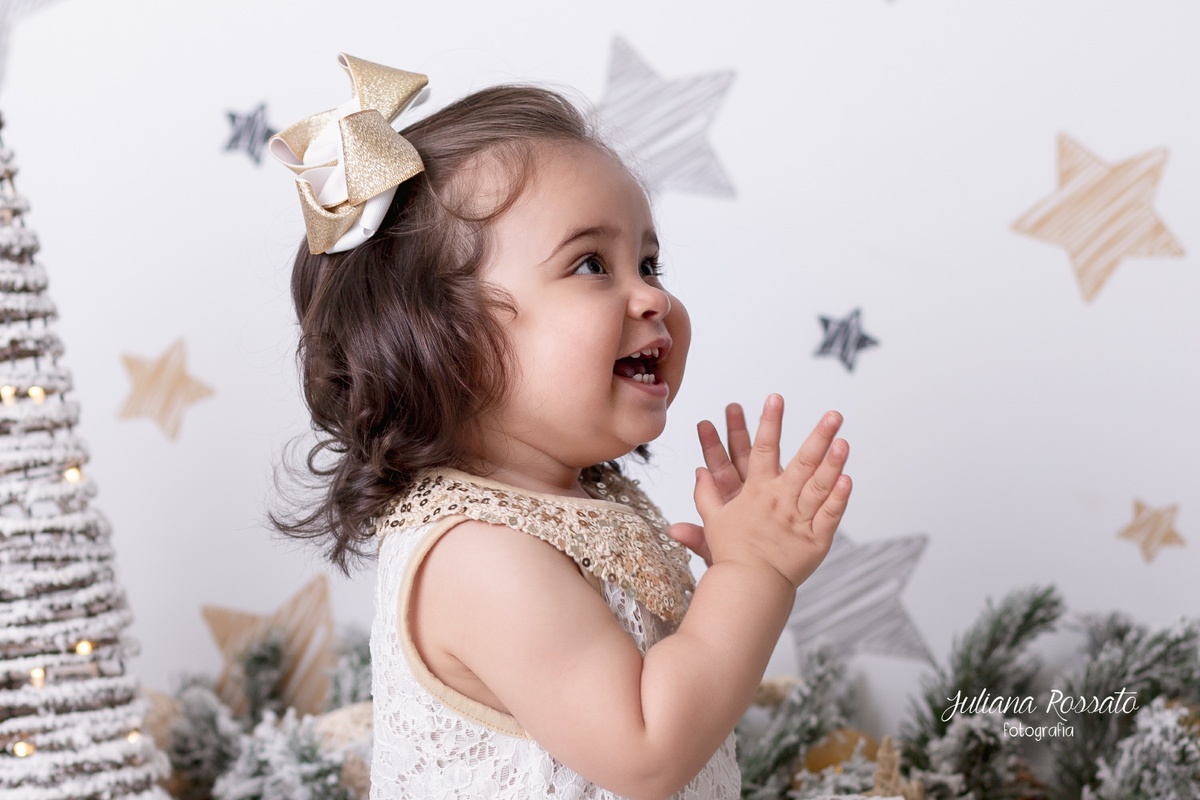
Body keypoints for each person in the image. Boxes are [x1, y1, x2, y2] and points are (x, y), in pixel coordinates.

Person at [271, 54, 852, 800]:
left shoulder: (562, 510)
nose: (651, 297)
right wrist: (752, 576)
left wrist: (716, 585)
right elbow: (645, 752)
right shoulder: (479, 554)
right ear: (444, 341)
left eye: (650, 262)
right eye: (590, 265)